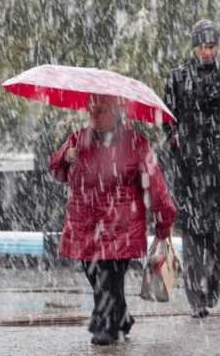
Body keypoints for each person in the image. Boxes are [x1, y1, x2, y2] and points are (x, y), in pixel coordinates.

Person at [49, 94, 176, 345]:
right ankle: (122, 317)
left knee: (108, 278)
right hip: (83, 226)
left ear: (117, 113)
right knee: (96, 276)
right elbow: (57, 172)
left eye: (101, 110)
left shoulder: (136, 144)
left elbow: (156, 189)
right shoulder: (77, 139)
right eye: (91, 110)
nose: (93, 115)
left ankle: (104, 328)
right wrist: (64, 156)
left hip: (120, 229)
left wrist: (164, 223)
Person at [162, 20, 220, 318]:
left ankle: (213, 280)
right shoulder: (177, 79)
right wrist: (179, 149)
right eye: (202, 47)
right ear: (194, 47)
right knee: (191, 237)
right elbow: (167, 121)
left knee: (219, 237)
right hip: (190, 172)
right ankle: (195, 298)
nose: (207, 52)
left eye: (211, 46)